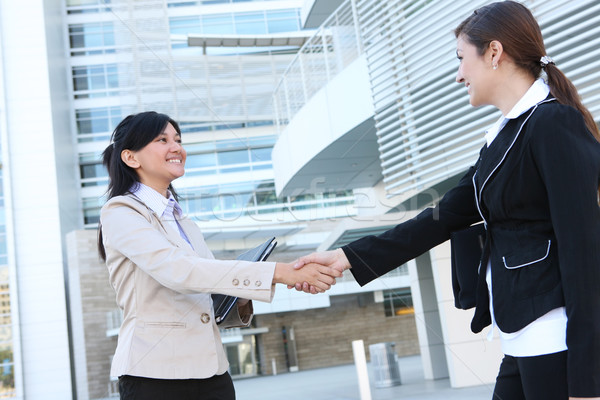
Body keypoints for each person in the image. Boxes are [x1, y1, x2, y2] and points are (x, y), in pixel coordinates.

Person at [293, 2, 600, 399]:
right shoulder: (502, 138)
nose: (458, 75)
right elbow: (441, 217)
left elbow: (585, 251)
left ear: (493, 52)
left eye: (460, 59)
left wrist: (588, 380)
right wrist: (347, 257)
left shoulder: (554, 123)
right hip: (518, 334)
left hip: (554, 336)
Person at [97, 111, 341, 400]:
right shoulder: (121, 212)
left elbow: (206, 284)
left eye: (177, 139)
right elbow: (180, 272)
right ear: (131, 158)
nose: (176, 147)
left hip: (212, 372)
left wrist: (242, 293)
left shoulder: (183, 221)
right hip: (155, 375)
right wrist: (278, 272)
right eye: (162, 140)